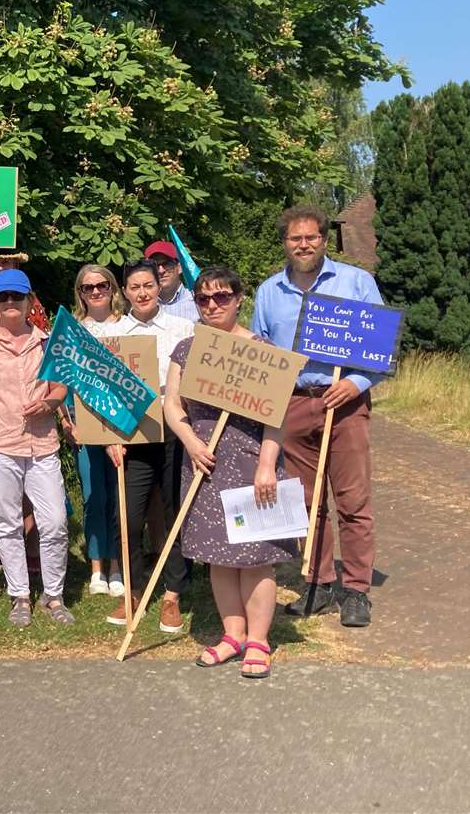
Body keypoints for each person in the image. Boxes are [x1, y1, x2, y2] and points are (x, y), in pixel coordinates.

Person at [252, 204, 384, 627]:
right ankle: (319, 582)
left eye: (311, 237)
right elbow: (261, 350)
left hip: (343, 401)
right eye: (295, 238)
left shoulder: (356, 282)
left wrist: (357, 383)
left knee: (352, 500)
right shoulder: (269, 291)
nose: (303, 244)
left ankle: (357, 589)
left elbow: (380, 350)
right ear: (285, 243)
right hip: (294, 402)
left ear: (324, 239)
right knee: (307, 503)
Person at [164, 264, 295, 677]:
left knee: (255, 557)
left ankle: (258, 640)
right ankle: (232, 634)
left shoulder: (262, 351)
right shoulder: (187, 349)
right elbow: (171, 404)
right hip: (204, 460)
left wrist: (267, 466)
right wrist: (191, 443)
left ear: (239, 299)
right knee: (218, 557)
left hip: (251, 462)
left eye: (221, 296)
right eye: (203, 298)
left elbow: (278, 416)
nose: (212, 304)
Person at [0, 269, 74, 628]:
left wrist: (51, 403)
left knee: (55, 522)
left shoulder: (46, 343)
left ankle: (53, 595)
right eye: (3, 297)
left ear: (29, 301)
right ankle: (20, 596)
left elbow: (60, 390)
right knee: (7, 524)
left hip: (41, 446)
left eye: (17, 297)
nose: (11, 303)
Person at [102, 259, 196, 632]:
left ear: (159, 286)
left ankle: (173, 594)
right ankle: (134, 591)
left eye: (148, 285)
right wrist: (110, 435)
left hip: (175, 427)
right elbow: (103, 390)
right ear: (124, 291)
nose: (142, 292)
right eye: (134, 287)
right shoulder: (116, 333)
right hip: (131, 433)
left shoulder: (183, 328)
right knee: (127, 516)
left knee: (175, 513)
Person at [72, 263, 125, 597]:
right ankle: (96, 568)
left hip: (122, 427)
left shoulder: (129, 327)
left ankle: (118, 566)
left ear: (112, 288)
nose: (95, 292)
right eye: (88, 287)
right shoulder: (73, 330)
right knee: (94, 497)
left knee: (119, 499)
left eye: (101, 285)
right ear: (80, 293)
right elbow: (62, 379)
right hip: (86, 423)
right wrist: (68, 423)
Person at [144, 241, 200, 323]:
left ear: (180, 267)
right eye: (154, 265)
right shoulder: (142, 305)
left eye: (167, 264)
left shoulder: (198, 301)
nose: (161, 270)